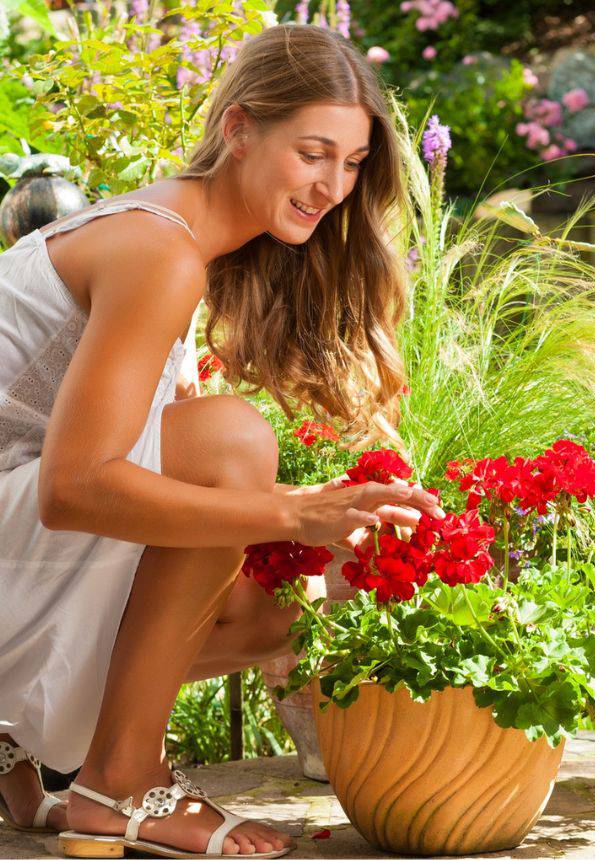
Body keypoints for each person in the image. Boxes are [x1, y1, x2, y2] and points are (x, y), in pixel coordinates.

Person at [0, 24, 442, 859]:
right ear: (239, 129)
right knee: (233, 445)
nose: (333, 186)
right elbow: (72, 489)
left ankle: (14, 745)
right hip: (21, 519)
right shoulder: (156, 249)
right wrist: (288, 511)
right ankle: (117, 785)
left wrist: (313, 520)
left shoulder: (184, 238)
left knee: (268, 617)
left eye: (351, 164)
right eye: (314, 153)